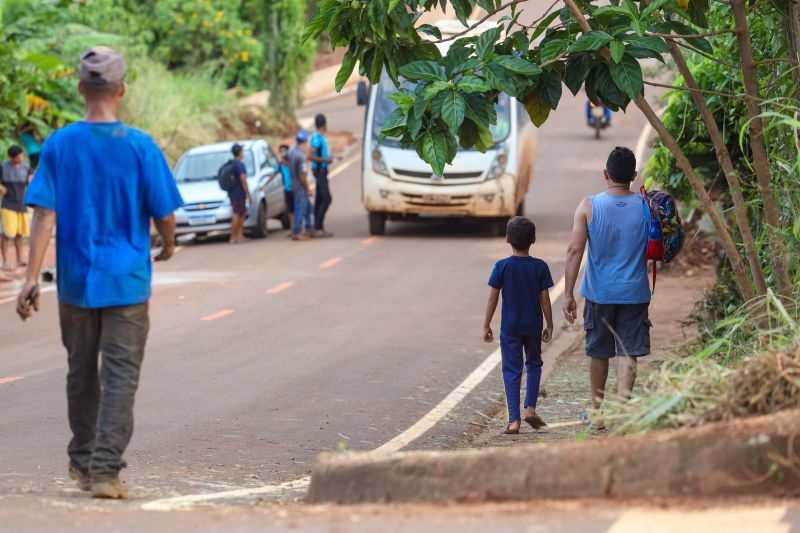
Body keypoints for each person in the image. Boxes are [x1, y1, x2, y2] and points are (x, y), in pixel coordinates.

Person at [16, 46, 183, 499]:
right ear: (121, 90)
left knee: (81, 372)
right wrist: (168, 244)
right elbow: (165, 214)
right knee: (120, 375)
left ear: (79, 89)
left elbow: (43, 214)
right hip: (126, 282)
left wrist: (30, 278)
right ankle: (105, 471)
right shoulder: (140, 146)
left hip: (75, 282)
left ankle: (82, 462)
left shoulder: (58, 145)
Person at [562, 146, 650, 428]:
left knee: (598, 351)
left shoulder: (589, 206)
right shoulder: (646, 206)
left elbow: (574, 251)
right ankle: (622, 413)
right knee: (628, 351)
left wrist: (568, 294)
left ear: (605, 174)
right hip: (635, 291)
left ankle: (598, 414)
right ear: (633, 176)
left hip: (599, 294)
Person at [483, 216, 554, 434]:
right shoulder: (540, 266)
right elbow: (545, 299)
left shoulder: (501, 266)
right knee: (534, 364)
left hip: (510, 328)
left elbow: (493, 299)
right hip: (533, 325)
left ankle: (514, 421)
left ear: (507, 239)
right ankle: (530, 408)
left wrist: (486, 324)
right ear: (534, 239)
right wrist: (550, 324)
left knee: (511, 370)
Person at [0, 145, 32, 272]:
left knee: (20, 234)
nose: (21, 158)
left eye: (22, 155)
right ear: (12, 158)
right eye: (18, 156)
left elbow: (30, 181)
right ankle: (5, 261)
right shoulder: (3, 167)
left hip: (21, 204)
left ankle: (20, 259)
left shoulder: (26, 168)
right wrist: (1, 188)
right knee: (7, 235)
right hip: (8, 205)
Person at [308, 113, 334, 238]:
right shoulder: (316, 138)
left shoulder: (319, 137)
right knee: (326, 198)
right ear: (324, 124)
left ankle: (318, 227)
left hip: (322, 170)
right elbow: (310, 156)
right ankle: (318, 226)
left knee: (319, 199)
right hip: (319, 171)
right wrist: (325, 160)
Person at [288, 129, 313, 241]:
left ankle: (309, 228)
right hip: (300, 186)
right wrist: (307, 189)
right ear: (305, 141)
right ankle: (297, 231)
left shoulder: (292, 151)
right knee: (300, 208)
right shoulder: (301, 156)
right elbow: (302, 175)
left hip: (293, 183)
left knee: (307, 207)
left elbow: (284, 158)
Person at [227, 143, 252, 244]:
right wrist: (248, 193)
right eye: (242, 151)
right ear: (240, 153)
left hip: (233, 193)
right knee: (237, 214)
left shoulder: (232, 163)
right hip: (239, 193)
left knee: (240, 213)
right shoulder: (239, 164)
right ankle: (234, 237)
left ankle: (239, 235)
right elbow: (243, 179)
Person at [276, 143, 293, 232]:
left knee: (298, 208)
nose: (283, 153)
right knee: (290, 209)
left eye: (284, 151)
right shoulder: (280, 164)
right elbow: (274, 174)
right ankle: (293, 228)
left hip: (296, 188)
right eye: (281, 151)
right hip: (287, 189)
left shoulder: (293, 160)